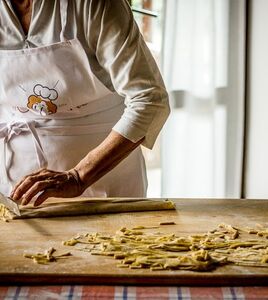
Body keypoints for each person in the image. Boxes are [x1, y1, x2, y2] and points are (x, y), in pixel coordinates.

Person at [0, 0, 170, 206]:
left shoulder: (95, 5)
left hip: (105, 181)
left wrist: (79, 176)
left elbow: (149, 98)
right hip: (15, 187)